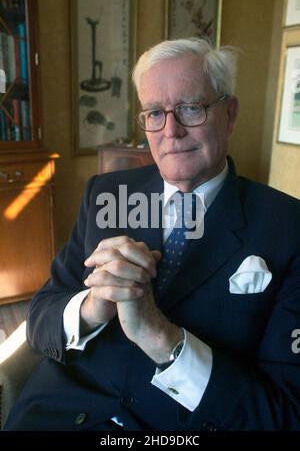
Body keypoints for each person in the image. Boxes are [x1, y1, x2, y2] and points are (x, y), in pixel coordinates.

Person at [4, 37, 300, 431]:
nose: (171, 131)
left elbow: (282, 415)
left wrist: (162, 338)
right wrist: (92, 306)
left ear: (229, 115)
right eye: (155, 113)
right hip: (57, 414)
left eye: (191, 108)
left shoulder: (287, 226)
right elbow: (41, 319)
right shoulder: (106, 194)